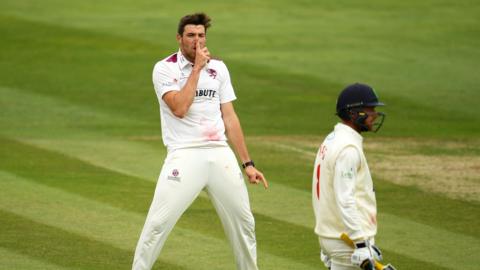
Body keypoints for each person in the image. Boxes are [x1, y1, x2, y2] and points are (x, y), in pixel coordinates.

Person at [132, 12, 268, 270]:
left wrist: (247, 163)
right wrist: (196, 69)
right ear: (179, 38)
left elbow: (229, 117)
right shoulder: (165, 68)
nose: (196, 41)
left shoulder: (219, 68)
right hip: (184, 155)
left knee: (244, 223)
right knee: (158, 224)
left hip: (219, 153)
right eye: (191, 36)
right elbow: (180, 108)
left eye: (201, 36)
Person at [312, 83, 386, 270]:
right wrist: (361, 243)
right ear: (355, 113)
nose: (375, 115)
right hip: (347, 241)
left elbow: (325, 191)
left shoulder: (332, 140)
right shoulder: (348, 149)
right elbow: (345, 199)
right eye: (370, 110)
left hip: (335, 236)